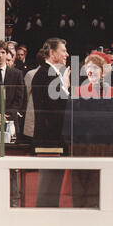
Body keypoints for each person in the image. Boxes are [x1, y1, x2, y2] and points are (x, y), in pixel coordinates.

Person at [32, 38, 71, 207]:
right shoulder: (47, 74)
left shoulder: (51, 73)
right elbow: (58, 109)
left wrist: (64, 87)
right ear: (52, 53)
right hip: (50, 140)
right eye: (63, 51)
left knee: (52, 187)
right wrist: (66, 89)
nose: (66, 54)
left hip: (52, 139)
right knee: (48, 187)